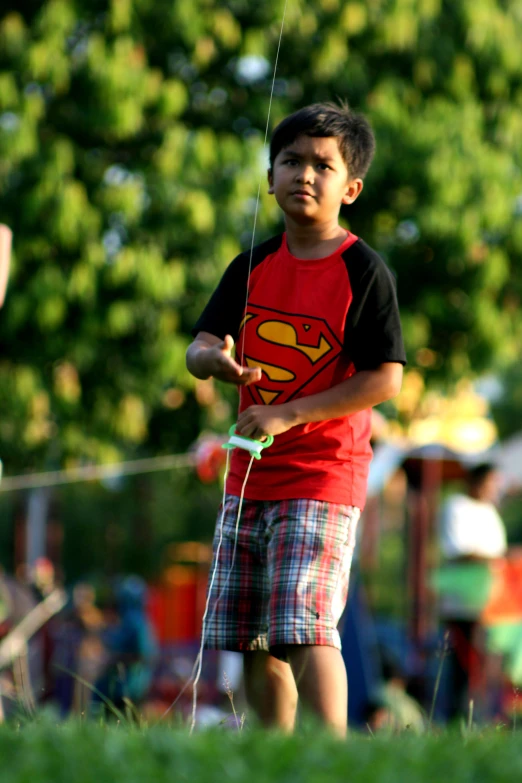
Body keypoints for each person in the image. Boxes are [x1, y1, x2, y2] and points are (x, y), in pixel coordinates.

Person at [186, 102, 406, 736]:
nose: (304, 174)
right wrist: (213, 361)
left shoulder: (363, 270)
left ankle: (331, 755)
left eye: (322, 165)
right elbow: (199, 346)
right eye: (290, 161)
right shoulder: (251, 265)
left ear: (351, 187)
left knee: (306, 624)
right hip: (249, 478)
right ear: (270, 176)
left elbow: (386, 378)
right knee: (254, 636)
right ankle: (275, 757)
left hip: (323, 476)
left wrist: (290, 415)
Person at [437, 463, 507, 720]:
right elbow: (458, 550)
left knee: (487, 667)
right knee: (464, 667)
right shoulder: (455, 507)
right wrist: (500, 560)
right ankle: (459, 719)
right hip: (462, 604)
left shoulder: (489, 511)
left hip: (491, 604)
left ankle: (485, 717)